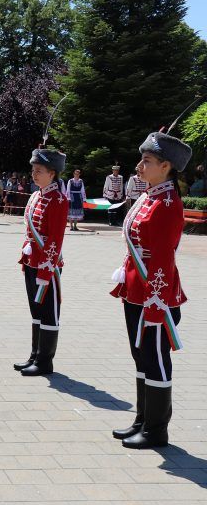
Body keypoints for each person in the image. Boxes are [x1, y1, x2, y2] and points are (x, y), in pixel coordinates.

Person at [110, 132, 191, 449]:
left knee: (155, 358)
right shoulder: (152, 196)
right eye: (141, 160)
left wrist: (156, 303)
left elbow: (161, 259)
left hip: (154, 296)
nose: (139, 167)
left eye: (147, 161)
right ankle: (142, 420)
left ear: (166, 166)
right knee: (140, 355)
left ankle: (157, 429)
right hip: (136, 291)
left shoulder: (167, 204)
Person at [15, 148, 69, 377]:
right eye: (33, 170)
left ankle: (45, 360)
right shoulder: (38, 195)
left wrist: (46, 270)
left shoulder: (58, 199)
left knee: (48, 312)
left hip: (46, 264)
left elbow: (55, 239)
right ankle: (34, 355)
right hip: (32, 261)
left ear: (52, 173)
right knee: (36, 310)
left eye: (39, 171)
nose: (34, 175)